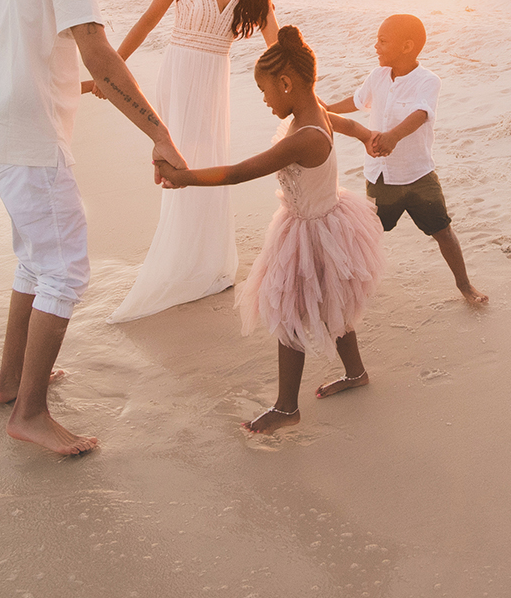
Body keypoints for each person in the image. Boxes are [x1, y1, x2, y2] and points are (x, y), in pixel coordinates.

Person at [0, 0, 184, 456]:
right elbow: (95, 49)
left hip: (2, 126)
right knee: (66, 268)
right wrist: (159, 134)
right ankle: (31, 414)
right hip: (31, 134)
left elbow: (0, 39)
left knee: (36, 262)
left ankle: (12, 384)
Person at [155, 27, 382, 435]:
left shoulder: (306, 136)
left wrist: (185, 177)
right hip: (325, 219)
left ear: (286, 83)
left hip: (313, 230)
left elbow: (242, 172)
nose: (263, 99)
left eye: (264, 91)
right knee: (334, 303)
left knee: (291, 313)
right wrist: (365, 133)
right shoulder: (313, 114)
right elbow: (343, 122)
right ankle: (356, 372)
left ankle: (286, 407)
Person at [97, 0, 278, 323]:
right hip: (179, 75)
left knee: (210, 161)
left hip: (214, 81)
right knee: (182, 159)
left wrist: (302, 89)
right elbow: (147, 20)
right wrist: (111, 72)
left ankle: (208, 261)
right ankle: (180, 260)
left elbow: (275, 36)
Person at [324, 13, 489, 305]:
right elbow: (358, 101)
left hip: (418, 178)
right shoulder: (377, 76)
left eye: (382, 41)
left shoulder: (428, 81)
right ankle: (345, 287)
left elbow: (420, 114)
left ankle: (465, 285)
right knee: (367, 234)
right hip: (381, 178)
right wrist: (324, 111)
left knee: (443, 232)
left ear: (407, 46)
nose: (375, 46)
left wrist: (393, 136)